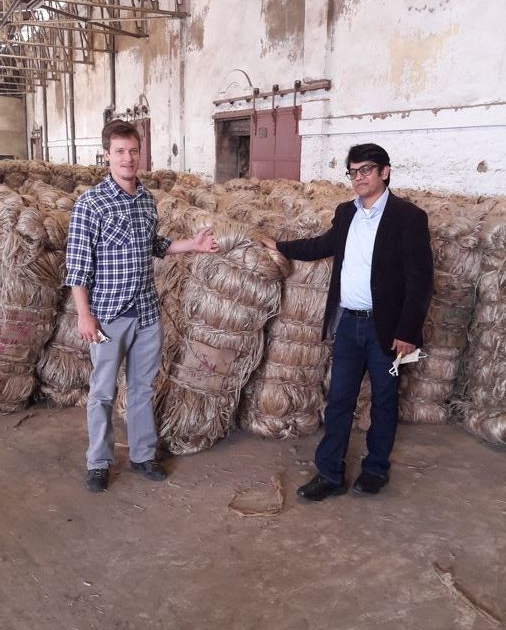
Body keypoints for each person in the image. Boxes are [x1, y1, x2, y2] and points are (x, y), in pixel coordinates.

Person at [262, 143, 433, 500]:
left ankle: (375, 470)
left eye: (365, 170)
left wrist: (407, 331)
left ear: (385, 171)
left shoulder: (408, 217)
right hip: (348, 325)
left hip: (386, 330)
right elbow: (322, 246)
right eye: (353, 172)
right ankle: (329, 473)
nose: (358, 178)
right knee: (339, 399)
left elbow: (420, 281)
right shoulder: (346, 213)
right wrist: (280, 246)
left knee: (384, 400)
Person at [65, 119, 218, 493]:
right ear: (106, 155)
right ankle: (99, 462)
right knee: (102, 392)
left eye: (133, 151)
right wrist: (84, 315)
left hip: (146, 313)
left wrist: (192, 245)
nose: (128, 158)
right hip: (108, 316)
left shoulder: (147, 200)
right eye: (119, 151)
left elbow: (154, 245)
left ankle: (143, 454)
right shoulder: (91, 204)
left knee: (142, 388)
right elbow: (77, 265)